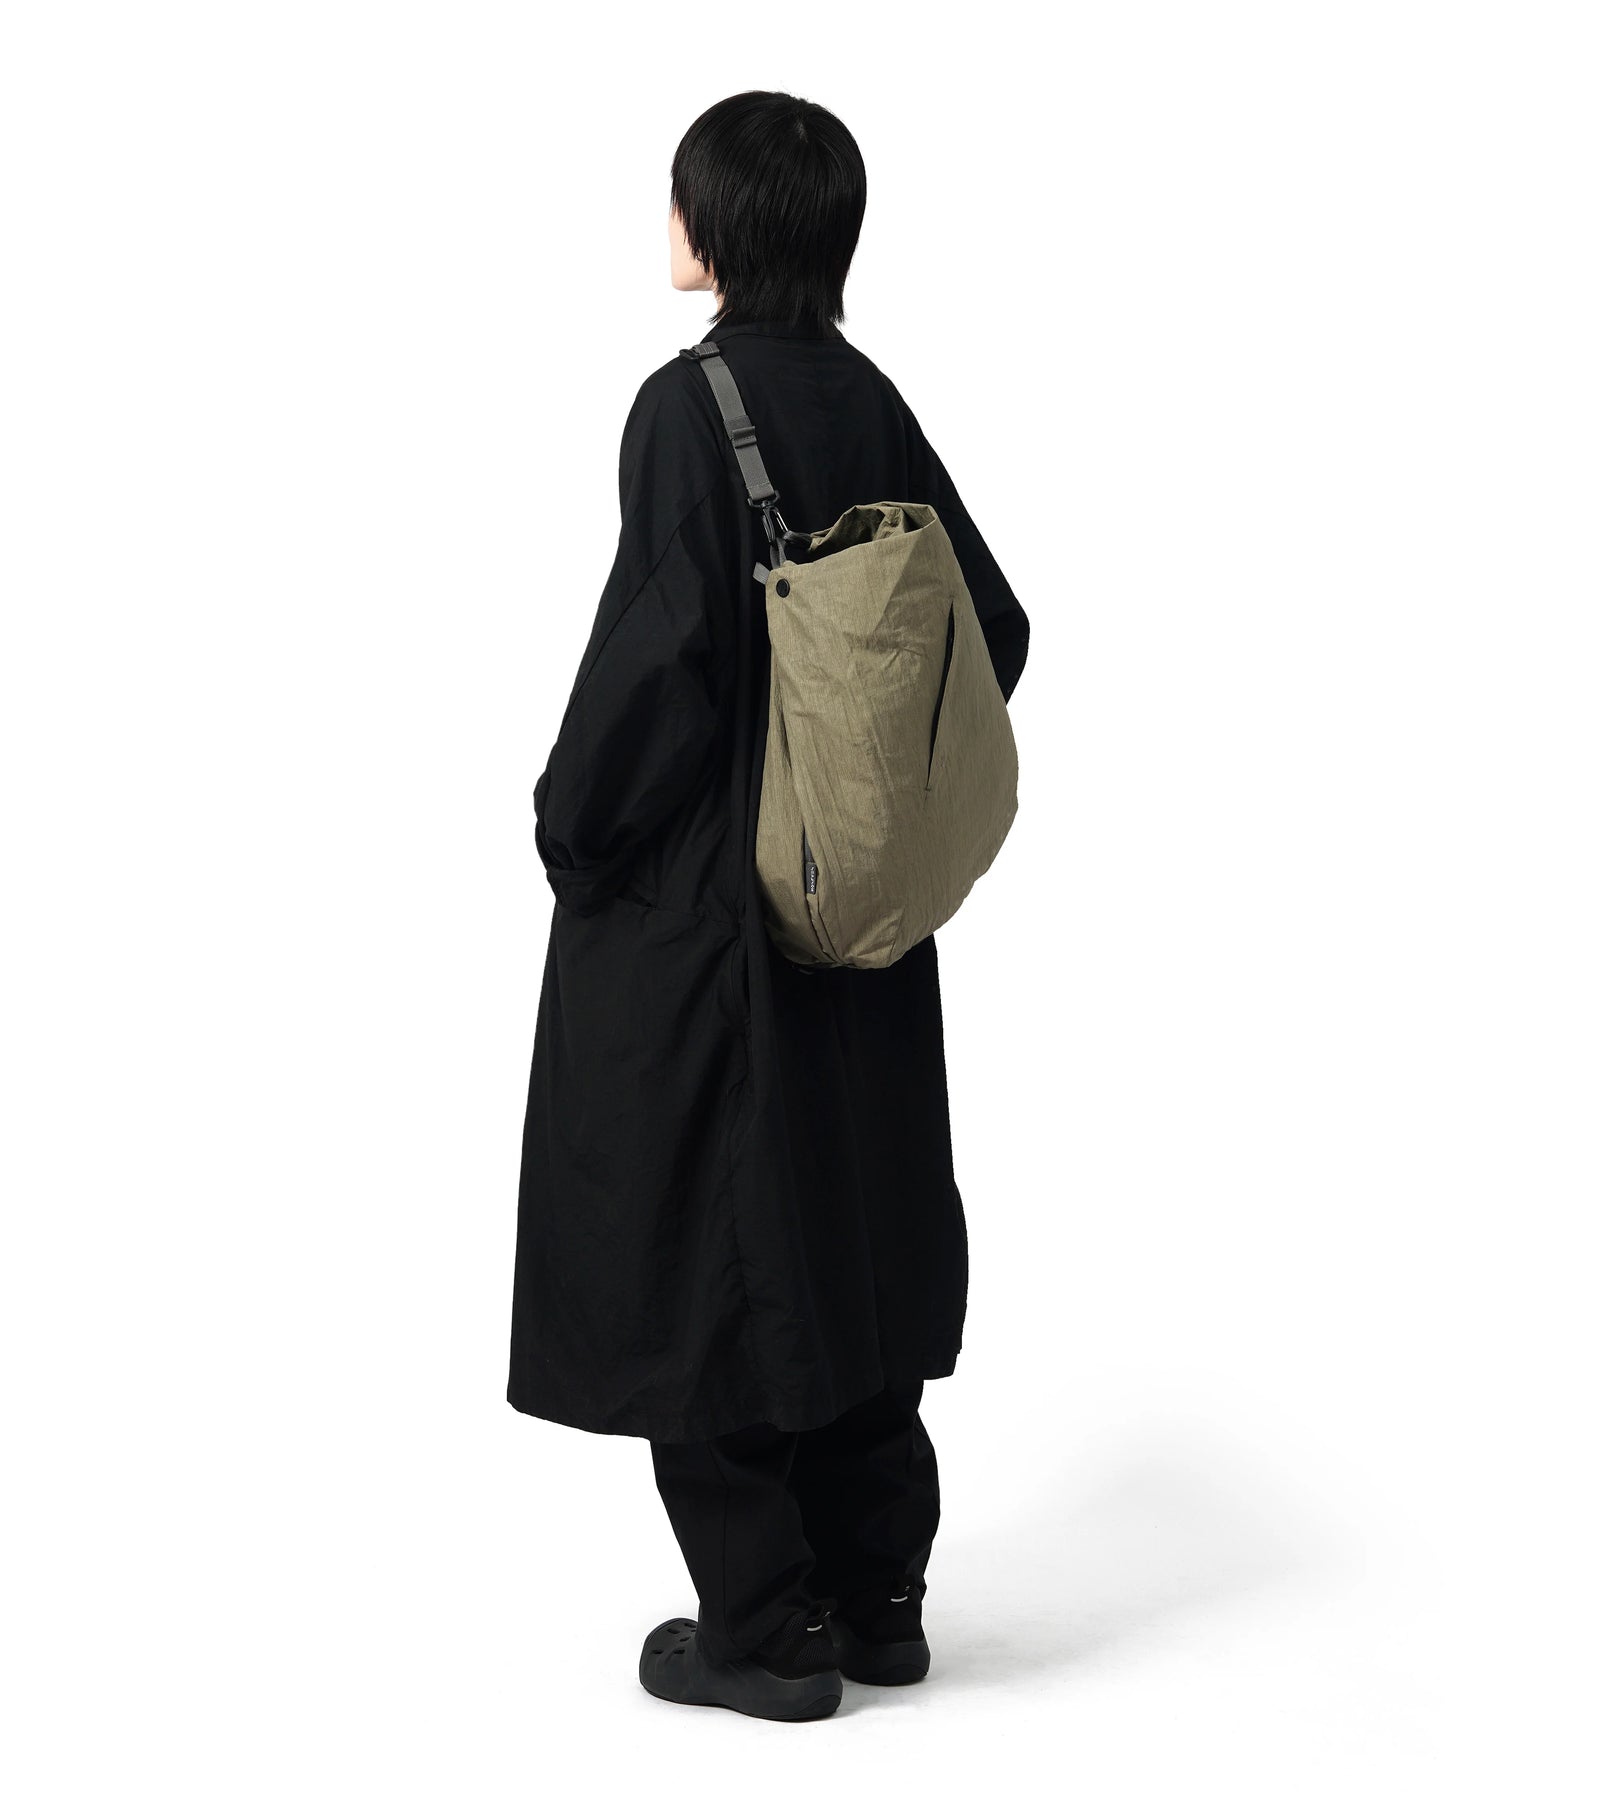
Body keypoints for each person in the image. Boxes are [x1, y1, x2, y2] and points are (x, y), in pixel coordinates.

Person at [507, 90, 1029, 1722]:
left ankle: (764, 1630)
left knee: (702, 1246)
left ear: (715, 230)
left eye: (680, 201)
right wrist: (862, 780)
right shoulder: (868, 397)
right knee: (853, 1226)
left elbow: (662, 656)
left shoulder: (690, 404)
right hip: (857, 916)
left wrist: (574, 829)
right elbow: (992, 628)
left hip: (712, 922)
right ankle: (879, 1599)